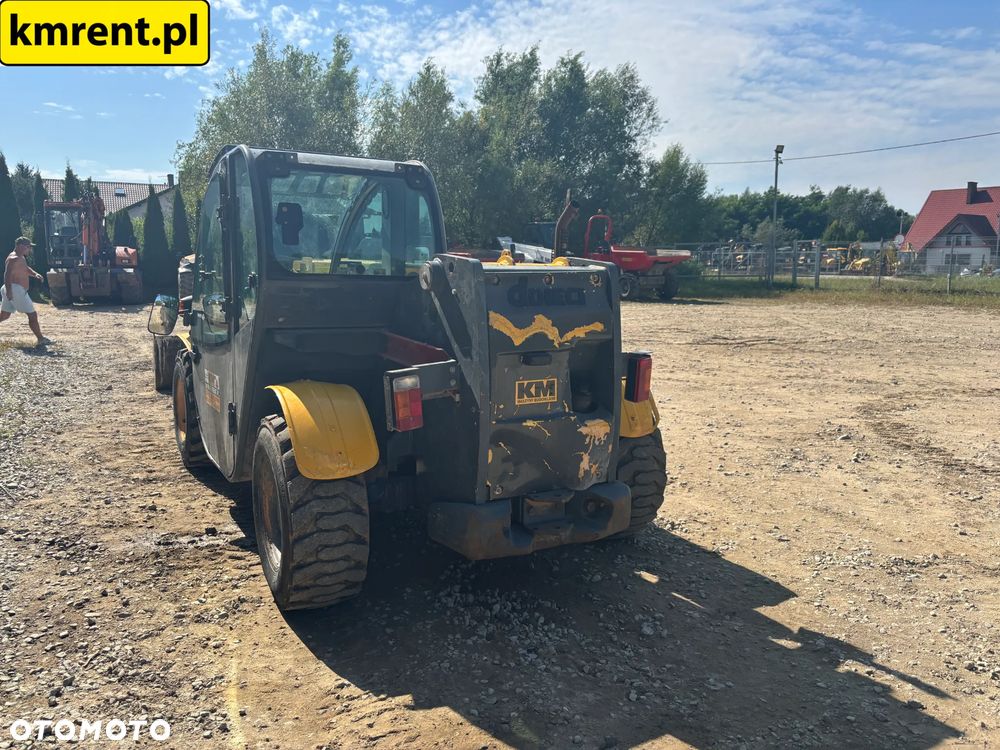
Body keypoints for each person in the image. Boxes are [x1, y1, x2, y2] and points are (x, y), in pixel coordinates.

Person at [2, 237, 51, 346]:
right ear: (20, 246)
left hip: (13, 289)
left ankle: (41, 338)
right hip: (15, 289)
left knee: (5, 315)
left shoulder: (20, 257)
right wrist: (9, 291)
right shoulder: (13, 258)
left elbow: (25, 268)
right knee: (32, 315)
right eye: (28, 247)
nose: (29, 249)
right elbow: (7, 275)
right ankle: (41, 339)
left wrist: (35, 274)